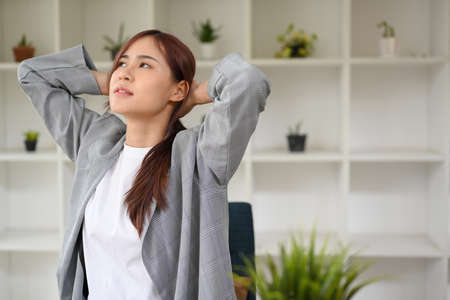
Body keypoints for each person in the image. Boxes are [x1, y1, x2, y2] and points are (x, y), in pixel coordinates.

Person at [17, 29, 271, 300]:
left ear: (178, 89)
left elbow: (248, 81)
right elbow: (32, 74)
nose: (125, 71)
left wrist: (196, 94)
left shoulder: (198, 157)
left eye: (145, 64)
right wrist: (112, 82)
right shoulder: (94, 142)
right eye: (122, 62)